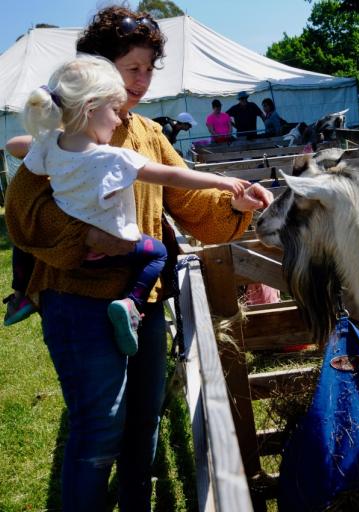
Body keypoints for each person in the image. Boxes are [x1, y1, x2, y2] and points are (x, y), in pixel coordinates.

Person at [4, 6, 272, 511]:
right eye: (133, 69)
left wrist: (232, 203)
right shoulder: (59, 138)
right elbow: (22, 211)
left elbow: (188, 199)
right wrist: (85, 238)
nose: (144, 80)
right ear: (101, 71)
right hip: (77, 300)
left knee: (144, 420)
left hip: (142, 301)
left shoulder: (148, 133)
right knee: (99, 427)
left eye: (150, 68)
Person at [7, 56, 250, 358]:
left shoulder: (48, 146)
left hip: (73, 253)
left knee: (23, 242)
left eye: (148, 69)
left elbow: (13, 148)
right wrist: (219, 181)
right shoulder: (115, 157)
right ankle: (131, 303)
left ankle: (21, 292)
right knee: (158, 252)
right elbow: (173, 175)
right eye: (113, 110)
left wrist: (48, 138)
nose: (119, 118)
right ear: (90, 108)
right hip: (117, 246)